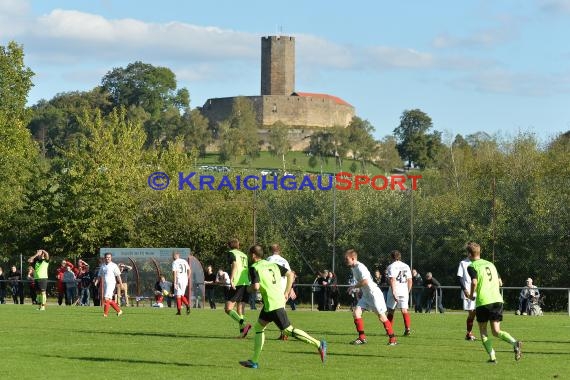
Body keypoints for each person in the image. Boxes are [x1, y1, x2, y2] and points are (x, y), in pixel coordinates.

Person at [239, 245, 326, 369]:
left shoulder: (254, 268)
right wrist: (287, 290)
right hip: (273, 301)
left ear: (253, 255)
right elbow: (290, 274)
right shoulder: (272, 264)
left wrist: (246, 288)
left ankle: (318, 344)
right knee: (259, 326)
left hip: (273, 303)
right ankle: (254, 361)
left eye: (249, 254)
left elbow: (256, 287)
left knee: (287, 330)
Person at [466, 242, 522, 363]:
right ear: (479, 252)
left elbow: (474, 282)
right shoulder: (491, 264)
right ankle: (514, 343)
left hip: (484, 302)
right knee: (496, 331)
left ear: (469, 254)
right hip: (497, 300)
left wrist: (470, 296)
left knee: (483, 331)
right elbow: (500, 282)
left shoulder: (472, 266)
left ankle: (492, 357)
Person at [345, 249, 397, 346]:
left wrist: (353, 287)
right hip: (366, 295)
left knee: (382, 317)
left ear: (353, 258)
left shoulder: (360, 267)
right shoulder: (353, 267)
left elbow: (365, 281)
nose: (345, 260)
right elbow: (362, 282)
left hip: (374, 294)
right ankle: (362, 338)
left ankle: (393, 339)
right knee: (356, 313)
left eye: (346, 259)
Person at [225, 238, 252, 337]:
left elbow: (235, 265)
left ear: (229, 246)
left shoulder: (231, 253)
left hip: (237, 283)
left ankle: (244, 324)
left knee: (228, 308)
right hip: (246, 283)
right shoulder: (244, 255)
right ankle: (242, 333)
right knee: (240, 309)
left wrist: (231, 279)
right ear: (238, 245)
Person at [266, 243, 292, 339]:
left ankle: (285, 332)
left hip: (274, 287)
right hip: (284, 287)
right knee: (281, 310)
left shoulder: (269, 259)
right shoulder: (285, 261)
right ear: (279, 250)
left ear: (270, 250)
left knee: (272, 310)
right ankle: (284, 333)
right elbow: (290, 274)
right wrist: (289, 290)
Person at [386, 250, 412, 336]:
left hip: (395, 289)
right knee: (404, 310)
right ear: (399, 257)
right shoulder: (406, 266)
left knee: (391, 310)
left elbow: (392, 279)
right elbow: (410, 280)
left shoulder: (391, 266)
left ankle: (389, 330)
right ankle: (407, 328)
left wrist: (394, 292)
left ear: (392, 257)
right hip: (404, 290)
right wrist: (407, 291)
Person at [94, 252, 123, 317]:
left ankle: (105, 314)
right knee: (108, 300)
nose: (108, 258)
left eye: (109, 257)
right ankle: (119, 311)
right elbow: (99, 275)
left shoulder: (114, 265)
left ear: (111, 258)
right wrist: (96, 282)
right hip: (105, 284)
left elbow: (118, 275)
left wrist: (121, 284)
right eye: (106, 257)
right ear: (104, 258)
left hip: (111, 284)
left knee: (106, 298)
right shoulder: (103, 266)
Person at [457, 254, 477, 340]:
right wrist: (464, 289)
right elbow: (459, 277)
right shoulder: (463, 263)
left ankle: (469, 334)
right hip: (468, 291)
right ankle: (469, 333)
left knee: (476, 313)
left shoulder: (478, 262)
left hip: (478, 291)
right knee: (472, 313)